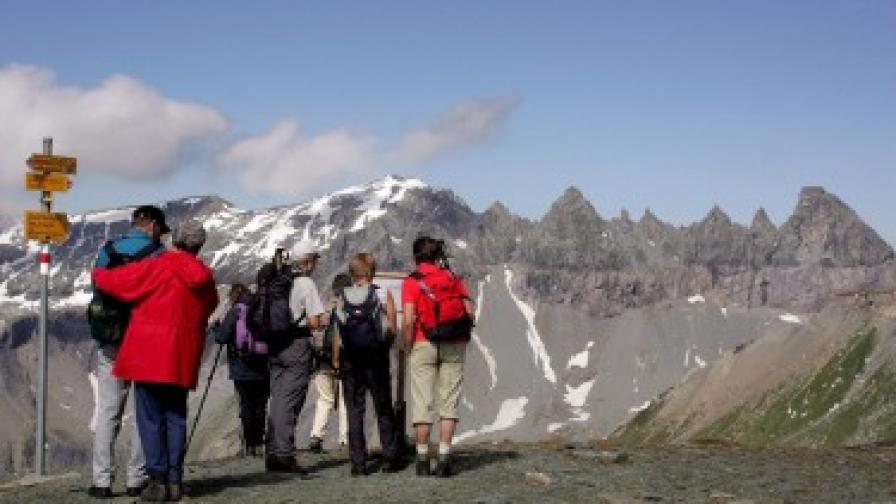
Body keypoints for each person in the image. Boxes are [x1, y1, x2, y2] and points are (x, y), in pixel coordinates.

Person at [92, 221, 218, 502]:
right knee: (176, 417)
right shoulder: (204, 277)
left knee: (150, 419)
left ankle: (157, 480)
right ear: (199, 246)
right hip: (183, 355)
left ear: (176, 241)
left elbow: (120, 283)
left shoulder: (159, 265)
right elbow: (210, 305)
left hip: (150, 354)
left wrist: (99, 274)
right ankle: (175, 481)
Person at [88, 205, 168, 499]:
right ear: (154, 226)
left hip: (109, 341)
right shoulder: (159, 255)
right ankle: (137, 478)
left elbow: (95, 286)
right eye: (161, 229)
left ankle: (101, 481)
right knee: (142, 413)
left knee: (108, 411)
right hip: (144, 341)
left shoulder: (107, 250)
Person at [401, 237, 475, 478]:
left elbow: (409, 319)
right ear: (437, 256)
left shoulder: (412, 282)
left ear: (416, 257)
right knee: (449, 403)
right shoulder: (452, 278)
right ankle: (444, 459)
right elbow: (470, 311)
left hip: (424, 341)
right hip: (454, 343)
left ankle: (422, 459)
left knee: (422, 402)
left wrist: (407, 346)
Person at [334, 253, 400, 475]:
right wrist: (384, 346)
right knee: (383, 407)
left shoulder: (342, 296)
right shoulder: (381, 294)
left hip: (350, 361)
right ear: (371, 272)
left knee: (354, 410)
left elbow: (338, 333)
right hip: (376, 359)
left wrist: (337, 359)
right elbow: (392, 326)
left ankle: (358, 464)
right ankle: (390, 458)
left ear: (352, 273)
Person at [264, 241, 324, 473]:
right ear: (307, 261)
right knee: (290, 401)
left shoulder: (277, 280)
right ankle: (284, 454)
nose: (317, 264)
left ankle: (272, 451)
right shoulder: (306, 284)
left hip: (275, 345)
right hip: (297, 346)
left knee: (278, 398)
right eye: (315, 260)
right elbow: (314, 321)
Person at [214, 284, 270, 457]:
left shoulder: (235, 312)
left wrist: (217, 327)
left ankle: (250, 444)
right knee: (260, 405)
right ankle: (260, 443)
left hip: (241, 367)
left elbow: (221, 338)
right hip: (262, 364)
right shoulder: (261, 308)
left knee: (246, 405)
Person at [308, 274, 350, 454]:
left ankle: (316, 436)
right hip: (344, 359)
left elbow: (313, 331)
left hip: (322, 360)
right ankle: (345, 439)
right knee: (345, 400)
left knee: (324, 399)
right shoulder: (349, 307)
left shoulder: (322, 306)